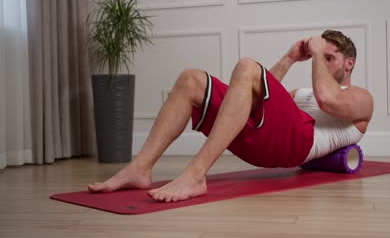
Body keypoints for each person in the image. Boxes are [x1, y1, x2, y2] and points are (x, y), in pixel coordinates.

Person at [88, 30, 374, 202]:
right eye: (320, 57)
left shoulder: (361, 98)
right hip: (267, 140)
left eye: (329, 58)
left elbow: (327, 98)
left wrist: (315, 47)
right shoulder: (302, 93)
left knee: (248, 67)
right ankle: (140, 168)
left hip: (298, 144)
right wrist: (289, 58)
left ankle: (195, 176)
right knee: (191, 79)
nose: (321, 62)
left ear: (349, 63)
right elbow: (258, 96)